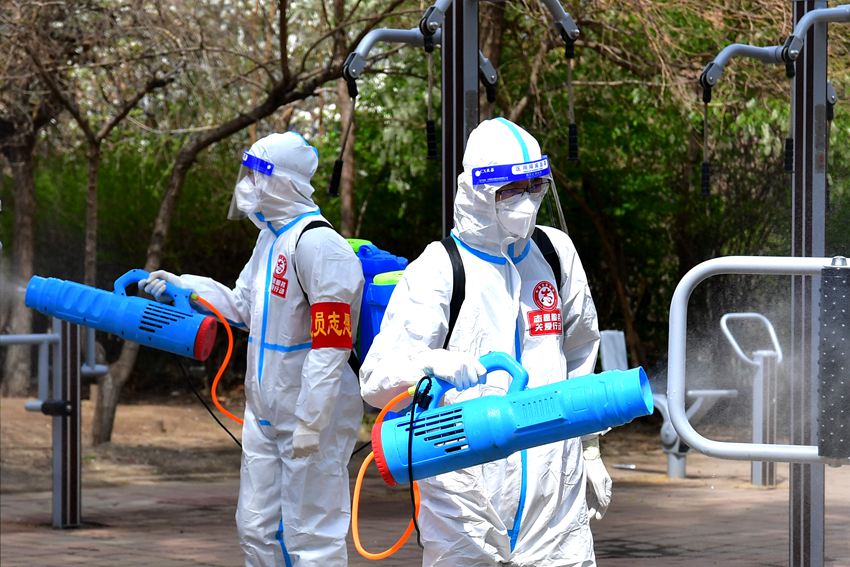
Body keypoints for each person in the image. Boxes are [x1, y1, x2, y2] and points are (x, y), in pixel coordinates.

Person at [360, 117, 610, 566]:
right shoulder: (439, 269)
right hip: (463, 500)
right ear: (478, 191)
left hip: (554, 495)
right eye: (511, 189)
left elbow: (580, 351)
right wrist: (430, 364)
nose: (527, 200)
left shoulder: (554, 254)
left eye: (535, 186)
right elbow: (376, 381)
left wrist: (588, 444)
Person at [140, 132, 364, 567]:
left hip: (309, 414)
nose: (246, 184)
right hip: (265, 412)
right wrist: (185, 288)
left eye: (255, 175)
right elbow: (243, 307)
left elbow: (331, 344)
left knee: (311, 535)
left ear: (284, 181)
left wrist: (312, 419)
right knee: (256, 527)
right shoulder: (270, 239)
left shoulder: (319, 246)